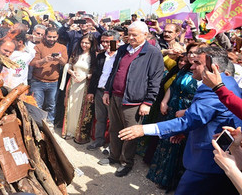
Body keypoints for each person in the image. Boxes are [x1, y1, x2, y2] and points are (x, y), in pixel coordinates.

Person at [119, 46, 242, 195]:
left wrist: (143, 129)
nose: (192, 66)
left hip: (207, 162)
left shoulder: (213, 90)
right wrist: (185, 131)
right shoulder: (227, 82)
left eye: (197, 63)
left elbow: (189, 120)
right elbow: (204, 117)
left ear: (213, 68)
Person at [99, 21, 164, 177]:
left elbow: (155, 80)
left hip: (134, 101)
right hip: (115, 96)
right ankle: (113, 156)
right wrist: (108, 91)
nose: (131, 37)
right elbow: (113, 71)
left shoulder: (153, 53)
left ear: (146, 35)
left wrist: (148, 102)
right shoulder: (121, 49)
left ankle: (126, 162)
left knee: (129, 133)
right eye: (129, 34)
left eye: (135, 34)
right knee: (114, 128)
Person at [146, 51, 197, 191]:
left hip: (187, 114)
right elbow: (173, 87)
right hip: (172, 109)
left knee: (179, 145)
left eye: (196, 53)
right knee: (166, 141)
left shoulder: (204, 74)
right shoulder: (185, 69)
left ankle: (174, 181)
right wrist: (164, 101)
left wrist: (188, 112)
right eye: (191, 52)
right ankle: (161, 176)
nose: (192, 56)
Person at [86, 30, 120, 150]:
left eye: (108, 41)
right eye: (103, 41)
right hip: (99, 91)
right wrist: (91, 91)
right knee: (100, 118)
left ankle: (112, 145)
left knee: (113, 121)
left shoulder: (120, 56)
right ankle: (98, 140)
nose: (104, 44)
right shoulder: (101, 56)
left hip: (112, 94)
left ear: (116, 42)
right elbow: (95, 75)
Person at [60, 33, 97, 143]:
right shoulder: (76, 53)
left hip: (84, 85)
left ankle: (79, 133)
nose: (84, 45)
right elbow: (69, 66)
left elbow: (95, 73)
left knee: (81, 109)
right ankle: (69, 131)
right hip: (73, 83)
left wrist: (85, 77)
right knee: (70, 107)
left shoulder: (94, 57)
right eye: (82, 42)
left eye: (87, 43)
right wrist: (72, 73)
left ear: (91, 44)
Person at [30, 27, 68, 124]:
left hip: (53, 82)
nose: (52, 39)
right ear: (45, 36)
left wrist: (60, 59)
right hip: (38, 81)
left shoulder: (62, 47)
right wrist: (44, 60)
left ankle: (50, 124)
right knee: (37, 105)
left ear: (57, 36)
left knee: (51, 105)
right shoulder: (38, 47)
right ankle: (37, 124)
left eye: (54, 37)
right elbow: (33, 63)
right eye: (49, 37)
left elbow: (65, 63)